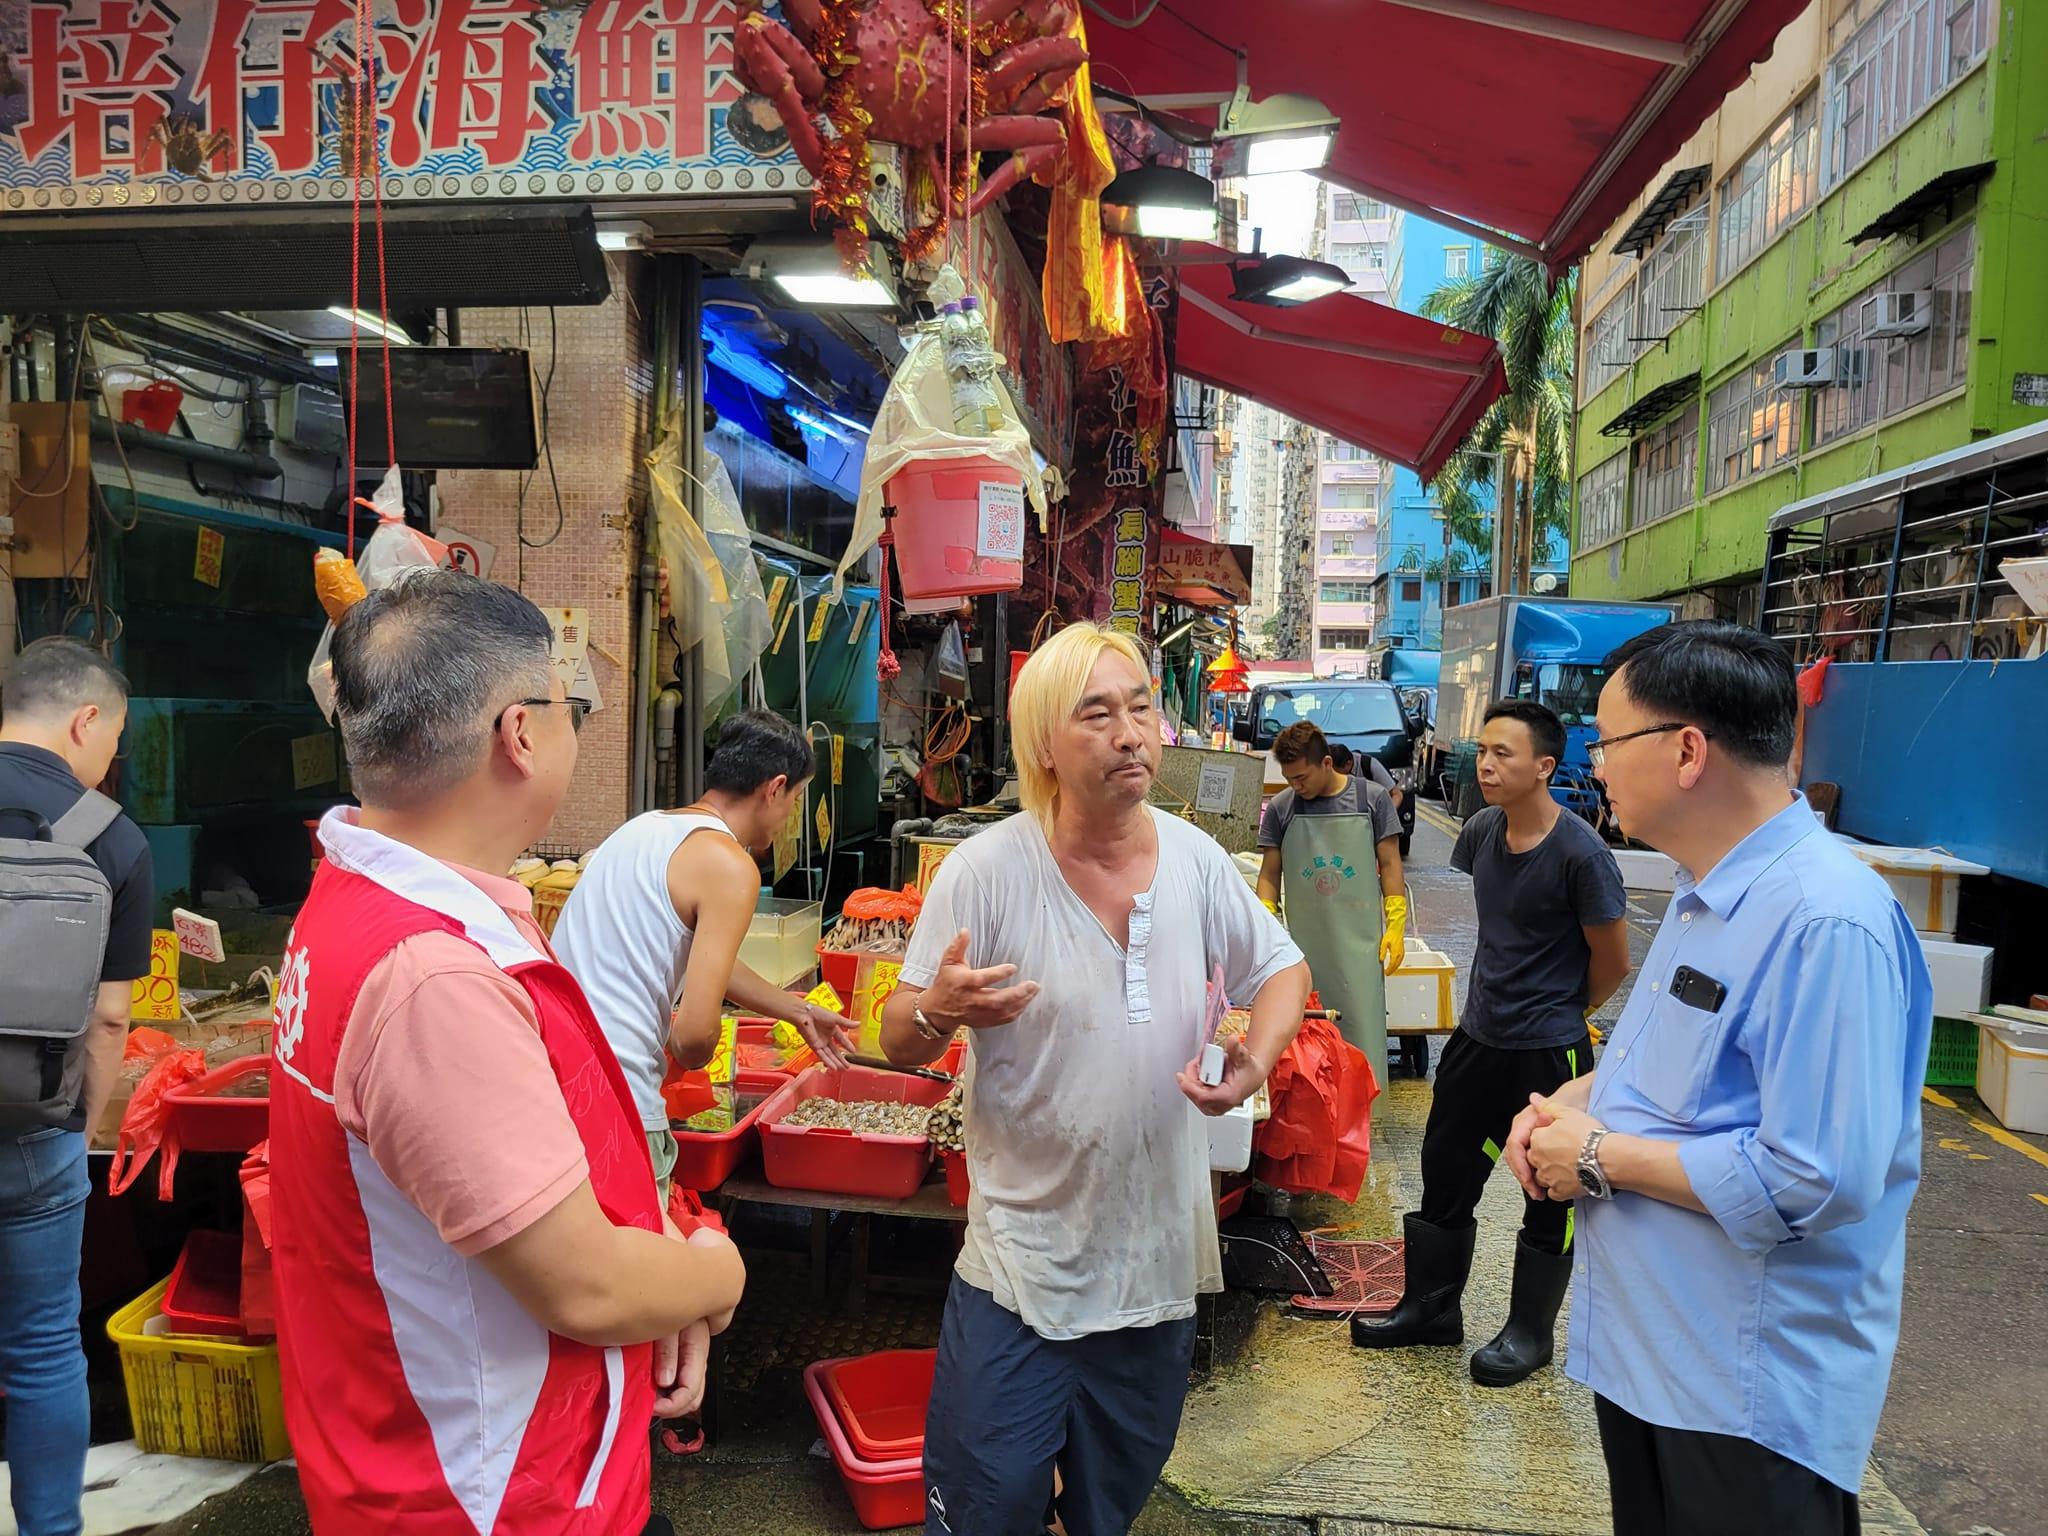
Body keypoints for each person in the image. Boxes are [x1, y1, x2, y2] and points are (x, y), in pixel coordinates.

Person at [268, 570, 745, 1535]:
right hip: (491, 1494)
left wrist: (662, 1268)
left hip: (421, 1454)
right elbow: (584, 1283)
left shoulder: (363, 900)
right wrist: (715, 1271)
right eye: (569, 706)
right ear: (519, 734)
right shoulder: (435, 978)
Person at [880, 623, 1310, 1536]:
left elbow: (1280, 968)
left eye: (1143, 708)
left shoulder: (1194, 860)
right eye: (1099, 713)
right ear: (1045, 742)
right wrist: (942, 1011)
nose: (1131, 733)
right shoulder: (985, 872)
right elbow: (897, 1038)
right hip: (1021, 1271)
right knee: (987, 1508)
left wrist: (1257, 1059)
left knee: (1109, 1509)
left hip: (1153, 1264)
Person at [1510, 621, 1931, 1536]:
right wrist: (1565, 1109)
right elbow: (1669, 1074)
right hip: (1659, 1365)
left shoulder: (1825, 920)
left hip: (1744, 1397)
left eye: (1610, 740)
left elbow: (1816, 1173)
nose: (1596, 761)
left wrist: (1599, 1157)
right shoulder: (1707, 894)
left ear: (1688, 750)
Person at [1353, 700, 1629, 1386]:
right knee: (1446, 1173)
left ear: (1544, 766)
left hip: (1549, 1053)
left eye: (1504, 753)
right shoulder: (1479, 831)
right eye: (1482, 750)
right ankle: (1431, 1310)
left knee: (1549, 1190)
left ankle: (1529, 1333)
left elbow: (1614, 961)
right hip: (1476, 1041)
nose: (1486, 763)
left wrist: (1565, 1011)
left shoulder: (1582, 854)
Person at [554, 710, 857, 1201]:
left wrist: (797, 1010)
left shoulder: (642, 830)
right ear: (774, 788)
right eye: (796, 800)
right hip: (620, 1096)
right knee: (636, 1268)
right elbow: (694, 1036)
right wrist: (690, 1051)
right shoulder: (730, 865)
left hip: (558, 1082)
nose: (788, 818)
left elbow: (702, 959)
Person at [0, 639, 153, 1536]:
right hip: (36, 1135)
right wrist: (76, 1128)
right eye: (116, 737)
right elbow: (107, 1021)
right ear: (84, 720)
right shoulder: (113, 837)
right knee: (44, 1348)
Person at [1255, 720, 1406, 1070]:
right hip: (1302, 947)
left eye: (1302, 778)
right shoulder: (1282, 808)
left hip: (1361, 947)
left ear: (1326, 763)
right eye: (1290, 779)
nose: (1296, 786)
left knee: (1362, 1039)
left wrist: (1396, 925)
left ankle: (1365, 1120)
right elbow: (1269, 874)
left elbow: (1391, 864)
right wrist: (1268, 923)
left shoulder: (1372, 800)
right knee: (1306, 1043)